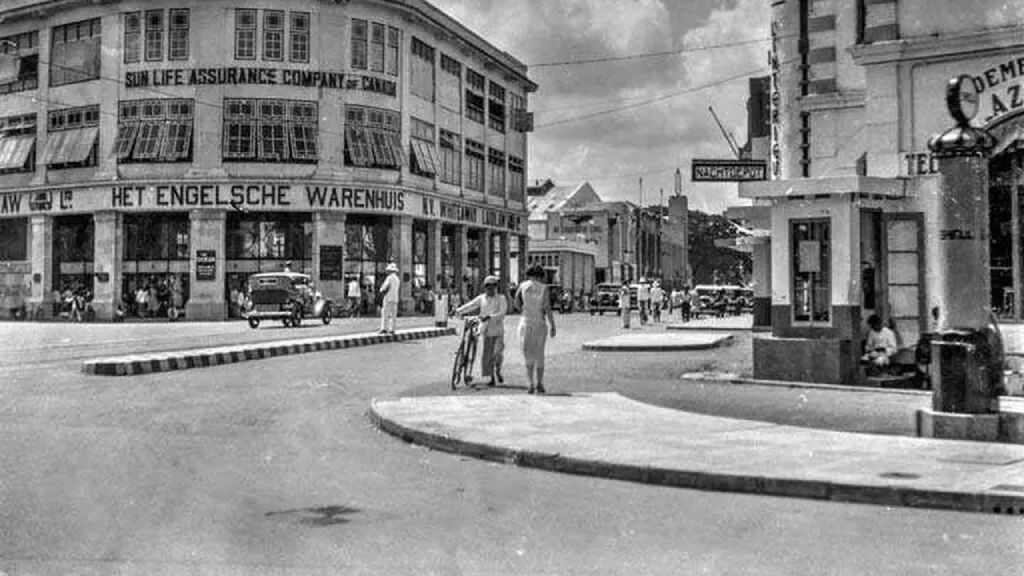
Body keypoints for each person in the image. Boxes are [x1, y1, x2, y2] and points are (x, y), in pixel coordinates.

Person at [455, 275, 507, 387]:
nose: (490, 289)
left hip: (497, 330)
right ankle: (492, 377)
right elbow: (471, 305)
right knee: (488, 355)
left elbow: (502, 313)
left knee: (497, 353)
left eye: (492, 286)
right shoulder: (482, 298)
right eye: (488, 287)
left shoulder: (501, 298)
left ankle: (498, 370)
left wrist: (490, 317)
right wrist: (458, 311)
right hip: (486, 330)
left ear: (496, 287)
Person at [516, 264, 556, 394]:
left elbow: (516, 302)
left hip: (525, 321)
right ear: (541, 276)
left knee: (527, 353)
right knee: (540, 353)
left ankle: (530, 383)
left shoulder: (522, 286)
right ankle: (540, 382)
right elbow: (547, 307)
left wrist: (522, 309)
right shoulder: (544, 288)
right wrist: (552, 325)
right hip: (539, 322)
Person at [378, 262, 401, 335]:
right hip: (395, 298)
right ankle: (392, 329)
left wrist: (381, 290)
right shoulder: (397, 279)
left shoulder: (389, 278)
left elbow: (385, 287)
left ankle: (384, 328)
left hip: (388, 297)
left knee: (385, 313)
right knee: (393, 314)